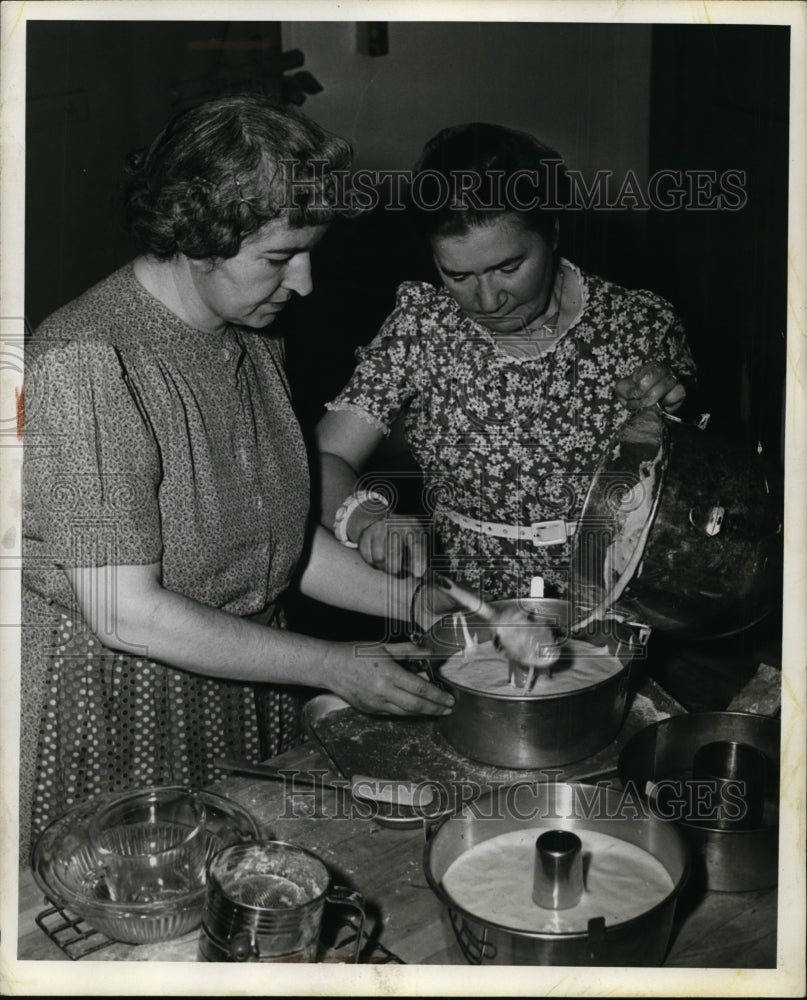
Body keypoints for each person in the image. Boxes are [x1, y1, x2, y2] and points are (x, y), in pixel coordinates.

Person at [20, 94, 452, 864]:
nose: (306, 283)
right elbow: (124, 613)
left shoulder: (251, 340)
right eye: (281, 257)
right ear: (196, 238)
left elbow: (280, 540)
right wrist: (327, 664)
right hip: (124, 702)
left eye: (309, 252)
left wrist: (417, 603)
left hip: (243, 677)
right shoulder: (87, 359)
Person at [316, 122, 696, 603]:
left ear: (553, 231)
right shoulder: (423, 325)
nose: (488, 299)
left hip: (614, 598)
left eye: (508, 268)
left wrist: (675, 412)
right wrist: (366, 516)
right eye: (458, 274)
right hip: (466, 605)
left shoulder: (639, 323)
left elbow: (699, 490)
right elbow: (324, 458)